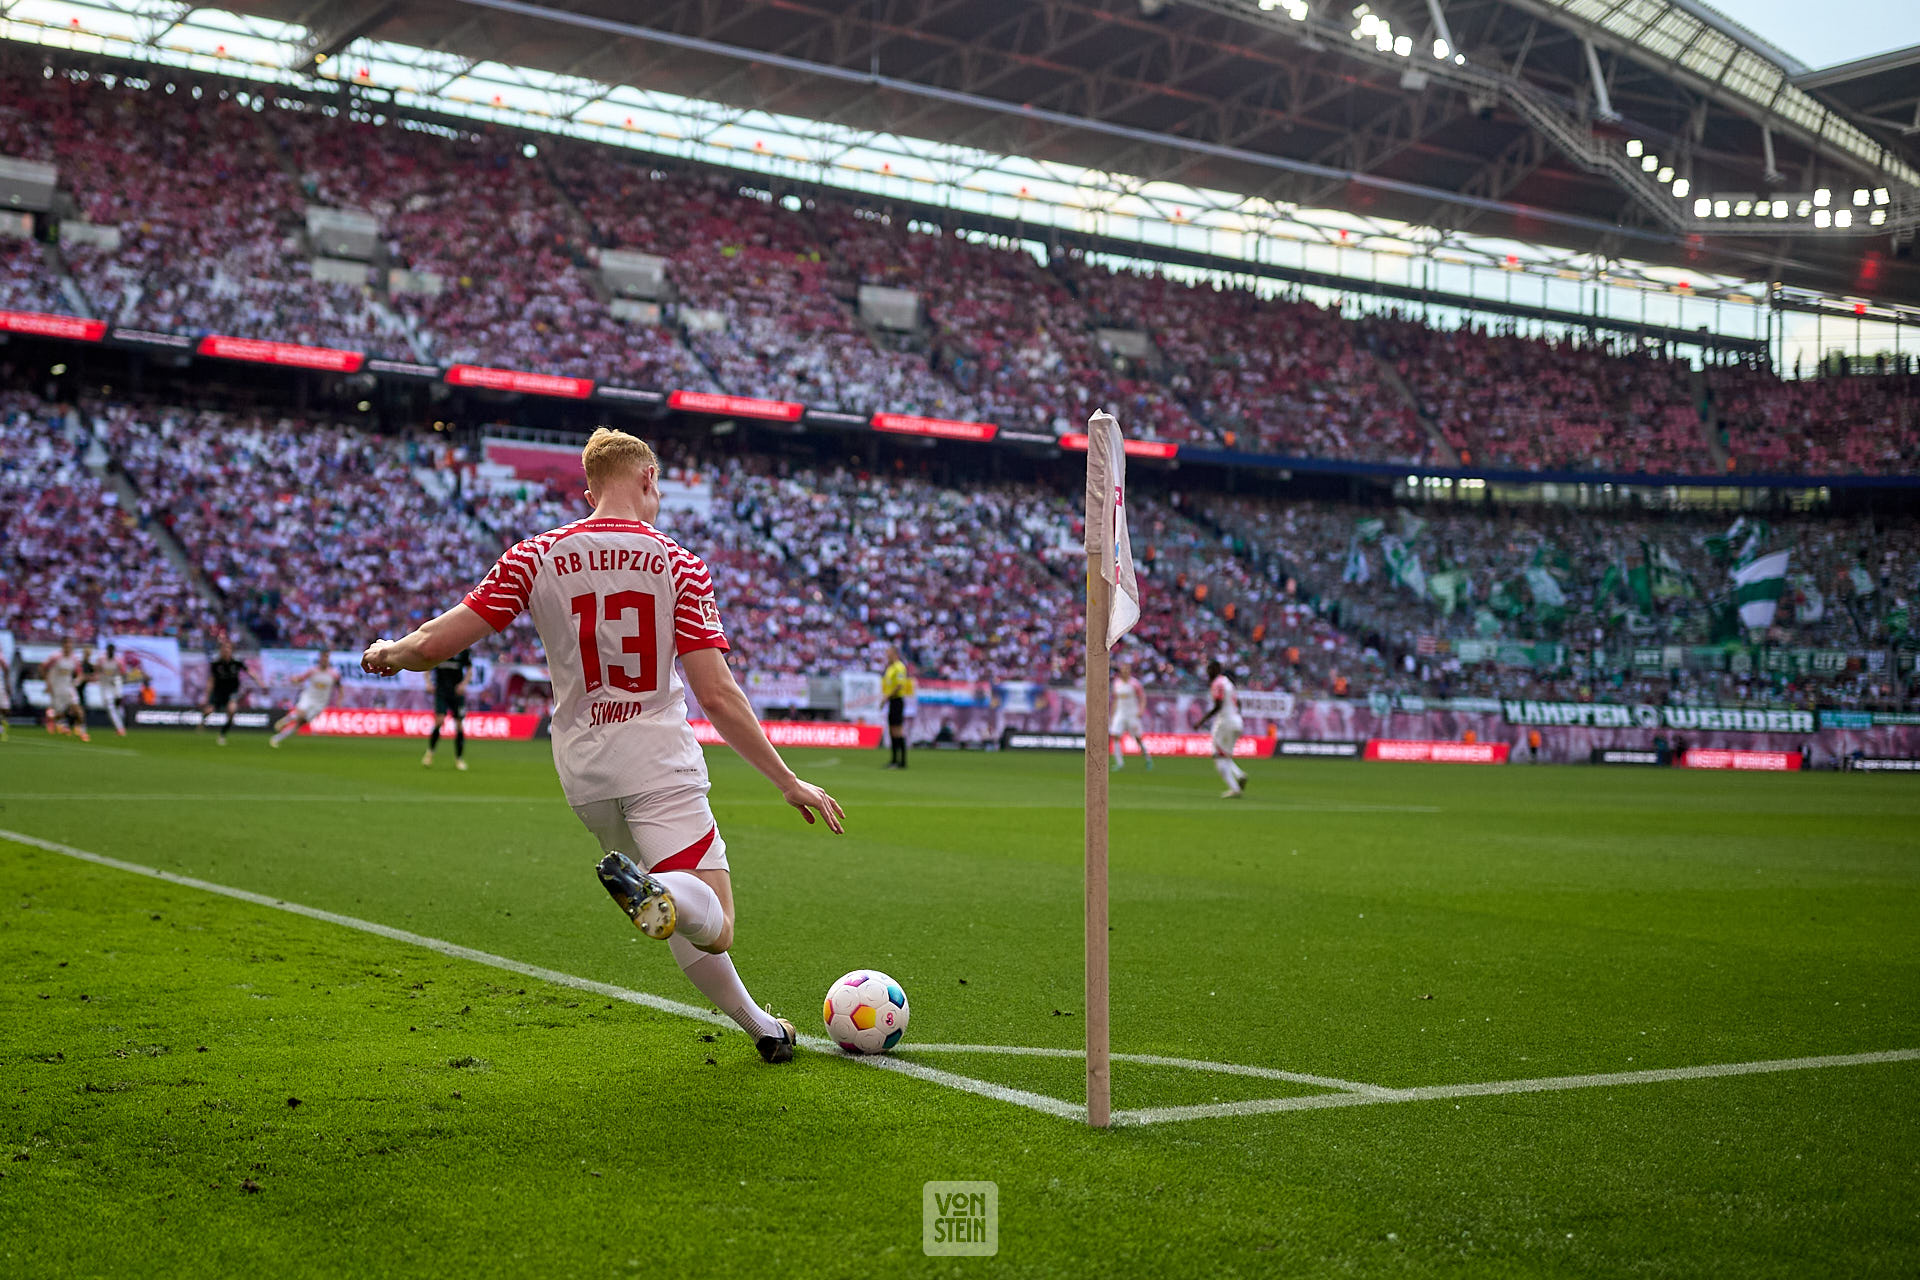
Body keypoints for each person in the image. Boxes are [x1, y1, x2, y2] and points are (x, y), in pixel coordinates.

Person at [359, 427, 844, 1065]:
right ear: (646, 478)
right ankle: (663, 890)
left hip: (584, 772)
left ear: (590, 490)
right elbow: (717, 695)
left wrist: (387, 652)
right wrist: (787, 780)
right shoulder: (678, 562)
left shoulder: (535, 554)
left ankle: (762, 1028)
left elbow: (432, 646)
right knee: (713, 920)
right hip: (659, 762)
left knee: (670, 903)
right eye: (660, 483)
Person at [1194, 659, 1248, 799]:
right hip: (1236, 721)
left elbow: (1218, 705)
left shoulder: (1217, 684)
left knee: (1217, 756)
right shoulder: (1227, 682)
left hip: (1225, 722)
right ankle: (1239, 774)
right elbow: (1239, 703)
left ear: (1215, 670)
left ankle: (1235, 788)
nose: (1207, 672)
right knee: (1225, 755)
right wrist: (1235, 715)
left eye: (1209, 669)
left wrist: (1201, 721)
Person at [270, 651, 338, 747]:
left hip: (320, 703)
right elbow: (301, 679)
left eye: (326, 657)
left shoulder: (334, 674)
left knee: (300, 723)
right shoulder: (313, 671)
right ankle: (285, 721)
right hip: (309, 697)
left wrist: (339, 699)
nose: (324, 660)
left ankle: (277, 738)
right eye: (323, 657)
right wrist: (294, 679)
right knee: (301, 714)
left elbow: (340, 686)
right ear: (320, 659)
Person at [423, 647, 472, 771]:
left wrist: (464, 684)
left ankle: (459, 759)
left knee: (459, 725)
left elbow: (469, 669)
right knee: (439, 721)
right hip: (441, 691)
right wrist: (428, 683)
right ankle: (430, 753)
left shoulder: (463, 649)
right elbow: (427, 666)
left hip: (456, 692)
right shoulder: (440, 649)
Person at [201, 639, 251, 746]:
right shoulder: (216, 664)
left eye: (228, 648)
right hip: (218, 692)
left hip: (232, 692)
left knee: (232, 710)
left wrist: (260, 682)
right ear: (220, 650)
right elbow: (211, 680)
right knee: (209, 711)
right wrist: (206, 696)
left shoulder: (237, 663)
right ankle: (203, 720)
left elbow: (250, 672)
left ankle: (222, 734)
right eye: (224, 648)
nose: (226, 651)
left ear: (232, 650)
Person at [40, 637, 89, 742]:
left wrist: (77, 681)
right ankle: (50, 718)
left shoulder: (74, 659)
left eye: (70, 644)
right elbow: (43, 667)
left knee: (78, 710)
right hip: (56, 688)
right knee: (60, 713)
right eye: (66, 644)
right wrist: (47, 683)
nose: (68, 647)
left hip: (69, 688)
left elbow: (80, 673)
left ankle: (83, 732)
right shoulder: (55, 657)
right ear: (63, 646)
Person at [95, 642, 146, 738]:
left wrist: (132, 677)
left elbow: (123, 674)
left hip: (115, 685)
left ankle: (121, 725)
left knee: (117, 706)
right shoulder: (101, 660)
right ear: (107, 651)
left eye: (112, 650)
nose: (110, 652)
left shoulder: (118, 661)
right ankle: (120, 728)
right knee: (110, 707)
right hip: (105, 686)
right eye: (109, 650)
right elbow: (97, 671)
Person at [1109, 660, 1151, 771]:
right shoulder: (1116, 683)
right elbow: (1115, 700)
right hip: (1120, 713)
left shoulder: (1135, 683)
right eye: (1123, 669)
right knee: (1115, 735)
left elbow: (1142, 698)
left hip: (1132, 714)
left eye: (1127, 669)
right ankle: (1119, 763)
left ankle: (1147, 758)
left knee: (1138, 738)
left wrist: (1141, 710)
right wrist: (1112, 715)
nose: (1125, 671)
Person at [881, 646, 914, 769]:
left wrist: (886, 697)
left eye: (888, 653)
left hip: (897, 701)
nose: (887, 656)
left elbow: (899, 685)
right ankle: (894, 760)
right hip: (891, 701)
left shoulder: (899, 667)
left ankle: (902, 762)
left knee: (897, 731)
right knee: (892, 731)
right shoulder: (890, 667)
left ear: (895, 654)